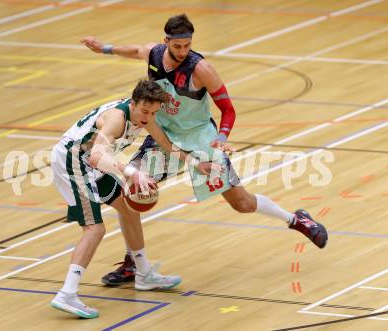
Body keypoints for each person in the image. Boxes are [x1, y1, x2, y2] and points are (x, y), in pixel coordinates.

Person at [81, 14, 328, 286]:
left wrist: (222, 136)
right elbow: (134, 50)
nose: (183, 52)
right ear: (167, 42)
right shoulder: (154, 53)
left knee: (241, 203)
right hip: (164, 134)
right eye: (177, 47)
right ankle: (135, 263)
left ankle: (297, 220)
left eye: (187, 46)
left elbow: (228, 110)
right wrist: (103, 48)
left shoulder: (201, 69)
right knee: (134, 189)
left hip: (201, 138)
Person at [49, 80, 213, 318]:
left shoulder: (146, 115)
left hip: (87, 162)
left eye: (154, 112)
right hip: (72, 162)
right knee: (95, 229)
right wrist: (132, 173)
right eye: (145, 111)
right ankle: (67, 293)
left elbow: (167, 145)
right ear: (133, 103)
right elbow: (96, 156)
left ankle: (144, 273)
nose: (148, 117)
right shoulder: (117, 119)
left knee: (129, 208)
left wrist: (196, 163)